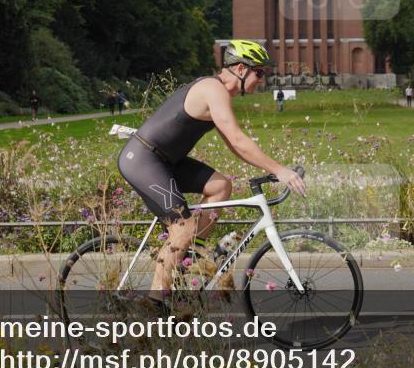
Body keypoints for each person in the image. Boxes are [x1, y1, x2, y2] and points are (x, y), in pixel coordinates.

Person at [117, 39, 306, 307]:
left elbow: (234, 145)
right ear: (241, 69)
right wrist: (281, 170)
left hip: (166, 161)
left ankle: (186, 258)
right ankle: (153, 303)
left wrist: (271, 169)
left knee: (220, 187)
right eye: (260, 72)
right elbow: (239, 140)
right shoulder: (212, 89)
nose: (262, 80)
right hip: (143, 159)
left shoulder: (219, 93)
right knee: (181, 229)